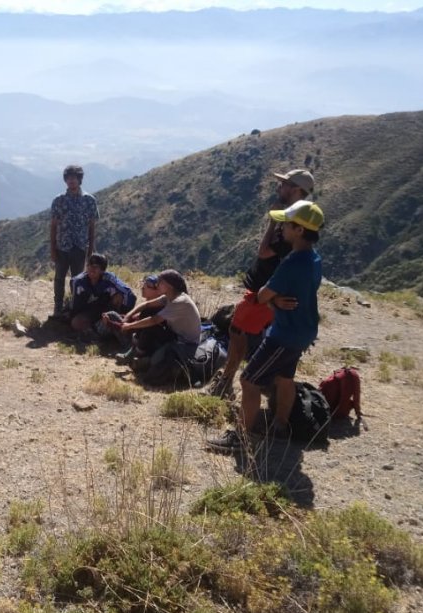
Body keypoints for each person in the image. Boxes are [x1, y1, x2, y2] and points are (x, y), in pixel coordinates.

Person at [209, 201, 324, 451]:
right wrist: (278, 301)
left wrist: (272, 300)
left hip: (284, 334)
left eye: (286, 224)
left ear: (300, 230)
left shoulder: (292, 262)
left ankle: (240, 437)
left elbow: (261, 295)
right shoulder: (314, 259)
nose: (281, 228)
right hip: (304, 330)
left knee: (249, 380)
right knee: (285, 378)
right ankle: (280, 425)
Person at [208, 168, 315, 400]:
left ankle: (226, 385)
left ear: (296, 189)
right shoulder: (297, 220)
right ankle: (266, 393)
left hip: (263, 294)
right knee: (248, 336)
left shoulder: (292, 223)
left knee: (238, 333)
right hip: (265, 292)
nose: (280, 187)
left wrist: (271, 222)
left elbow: (265, 252)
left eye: (285, 184)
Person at [112, 269, 201, 370]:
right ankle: (135, 351)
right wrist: (128, 316)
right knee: (147, 312)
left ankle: (138, 354)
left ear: (169, 285)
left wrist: (130, 326)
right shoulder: (168, 297)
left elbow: (154, 320)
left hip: (184, 342)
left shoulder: (180, 301)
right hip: (174, 334)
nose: (157, 285)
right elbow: (146, 304)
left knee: (151, 326)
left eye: (160, 282)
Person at [49, 165, 99, 317]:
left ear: (79, 179)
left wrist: (90, 249)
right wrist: (52, 248)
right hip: (62, 247)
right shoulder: (59, 200)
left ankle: (74, 307)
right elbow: (53, 226)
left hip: (80, 247)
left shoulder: (89, 200)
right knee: (59, 278)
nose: (71, 181)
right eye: (68, 177)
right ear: (65, 180)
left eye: (74, 177)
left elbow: (91, 226)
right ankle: (58, 308)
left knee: (77, 280)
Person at [68, 253, 136, 336]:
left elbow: (129, 294)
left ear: (102, 270)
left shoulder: (109, 279)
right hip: (89, 310)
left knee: (119, 296)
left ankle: (115, 323)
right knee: (76, 323)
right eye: (89, 265)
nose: (92, 269)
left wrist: (125, 314)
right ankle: (98, 330)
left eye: (96, 267)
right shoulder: (78, 282)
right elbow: (75, 304)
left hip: (108, 308)